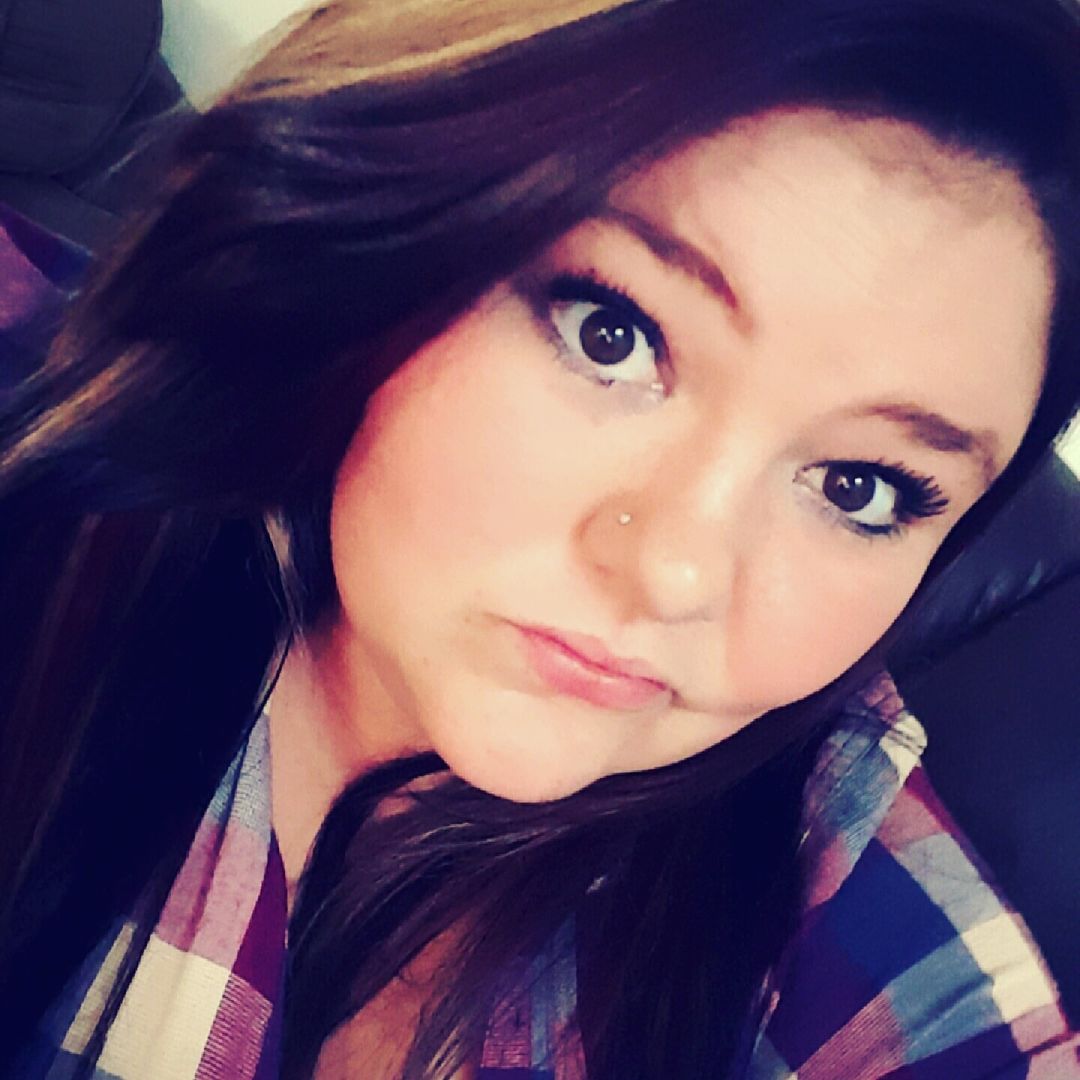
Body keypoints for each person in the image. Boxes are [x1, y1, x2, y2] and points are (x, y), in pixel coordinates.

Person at [1, 0, 1078, 1076]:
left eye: (860, 487)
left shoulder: (829, 873)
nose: (677, 572)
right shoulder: (50, 496)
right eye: (611, 335)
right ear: (392, 240)